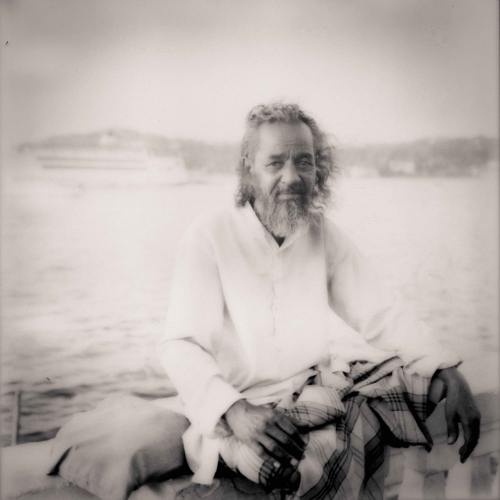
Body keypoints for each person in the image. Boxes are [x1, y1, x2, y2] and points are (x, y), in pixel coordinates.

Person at [156, 102, 481, 497]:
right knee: (287, 468)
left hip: (315, 394)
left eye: (304, 162)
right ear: (248, 168)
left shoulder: (319, 232)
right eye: (275, 163)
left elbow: (380, 311)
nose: (292, 177)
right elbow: (180, 345)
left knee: (426, 383)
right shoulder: (209, 235)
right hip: (243, 410)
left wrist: (448, 371)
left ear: (318, 169)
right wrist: (236, 411)